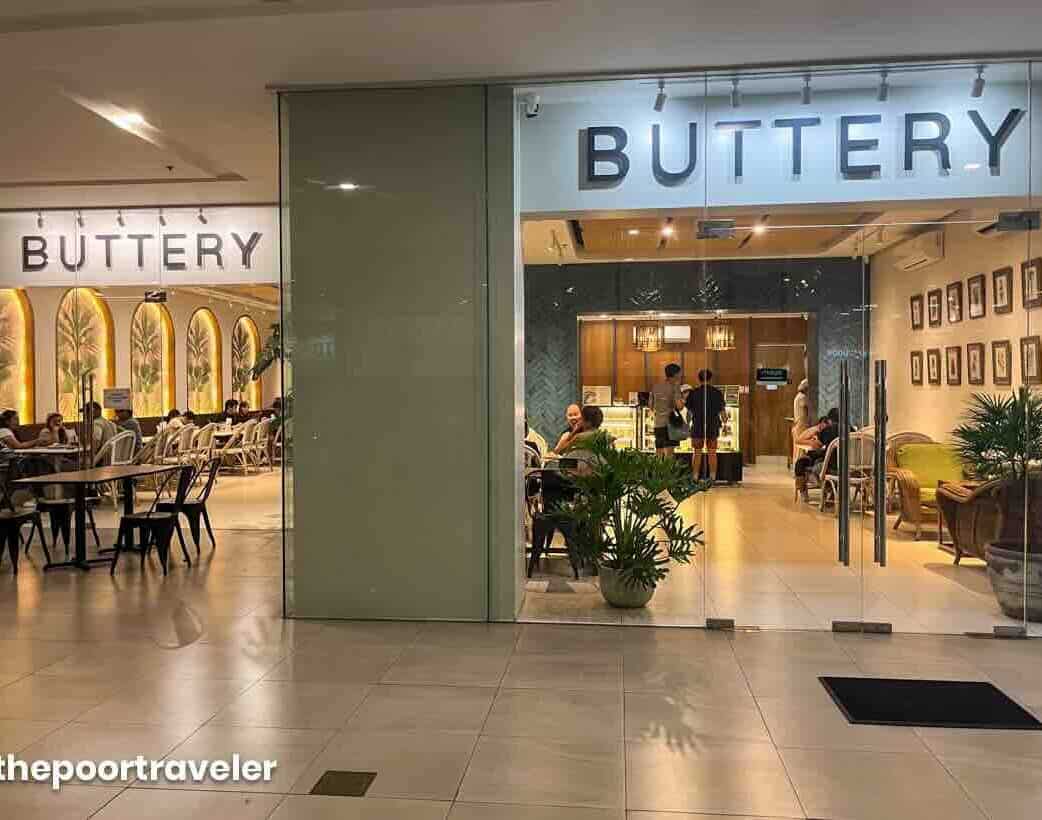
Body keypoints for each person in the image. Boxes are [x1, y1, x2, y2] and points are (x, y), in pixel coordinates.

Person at [686, 369, 726, 480]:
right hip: (713, 425)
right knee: (712, 452)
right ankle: (712, 477)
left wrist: (687, 424)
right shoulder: (717, 393)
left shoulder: (693, 393)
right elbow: (723, 413)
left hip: (697, 425)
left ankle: (695, 477)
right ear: (710, 378)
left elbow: (689, 413)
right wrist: (725, 422)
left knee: (697, 452)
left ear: (698, 379)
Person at [794, 408, 841, 502]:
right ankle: (830, 491)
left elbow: (816, 445)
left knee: (804, 464)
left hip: (830, 466)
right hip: (849, 468)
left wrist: (815, 432)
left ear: (829, 420)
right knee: (811, 462)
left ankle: (818, 488)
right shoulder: (852, 430)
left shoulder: (828, 430)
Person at [650, 363, 684, 456]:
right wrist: (682, 402)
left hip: (658, 423)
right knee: (669, 454)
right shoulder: (675, 387)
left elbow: (651, 406)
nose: (680, 375)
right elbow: (679, 406)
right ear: (675, 374)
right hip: (671, 424)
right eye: (679, 373)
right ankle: (668, 467)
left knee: (659, 452)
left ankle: (658, 466)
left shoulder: (656, 387)